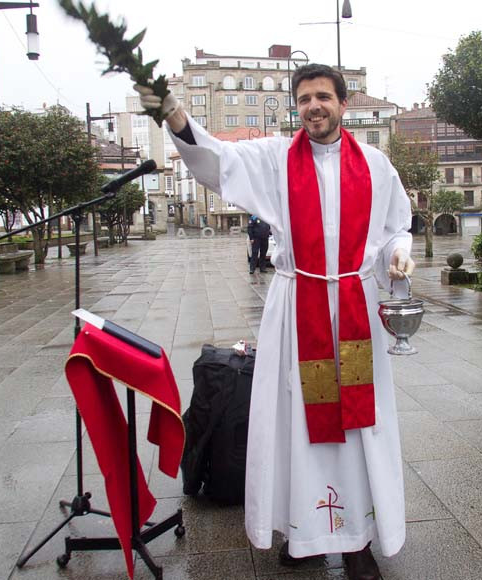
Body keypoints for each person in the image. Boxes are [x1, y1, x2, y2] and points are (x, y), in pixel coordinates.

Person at [135, 64, 415, 580]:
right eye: (305, 98)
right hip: (297, 310)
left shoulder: (375, 166)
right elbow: (217, 161)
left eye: (324, 97)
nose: (314, 106)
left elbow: (397, 226)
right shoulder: (275, 159)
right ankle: (302, 532)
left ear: (342, 104)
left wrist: (399, 254)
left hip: (352, 308)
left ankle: (357, 543)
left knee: (358, 427)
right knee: (297, 424)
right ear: (297, 106)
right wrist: (174, 116)